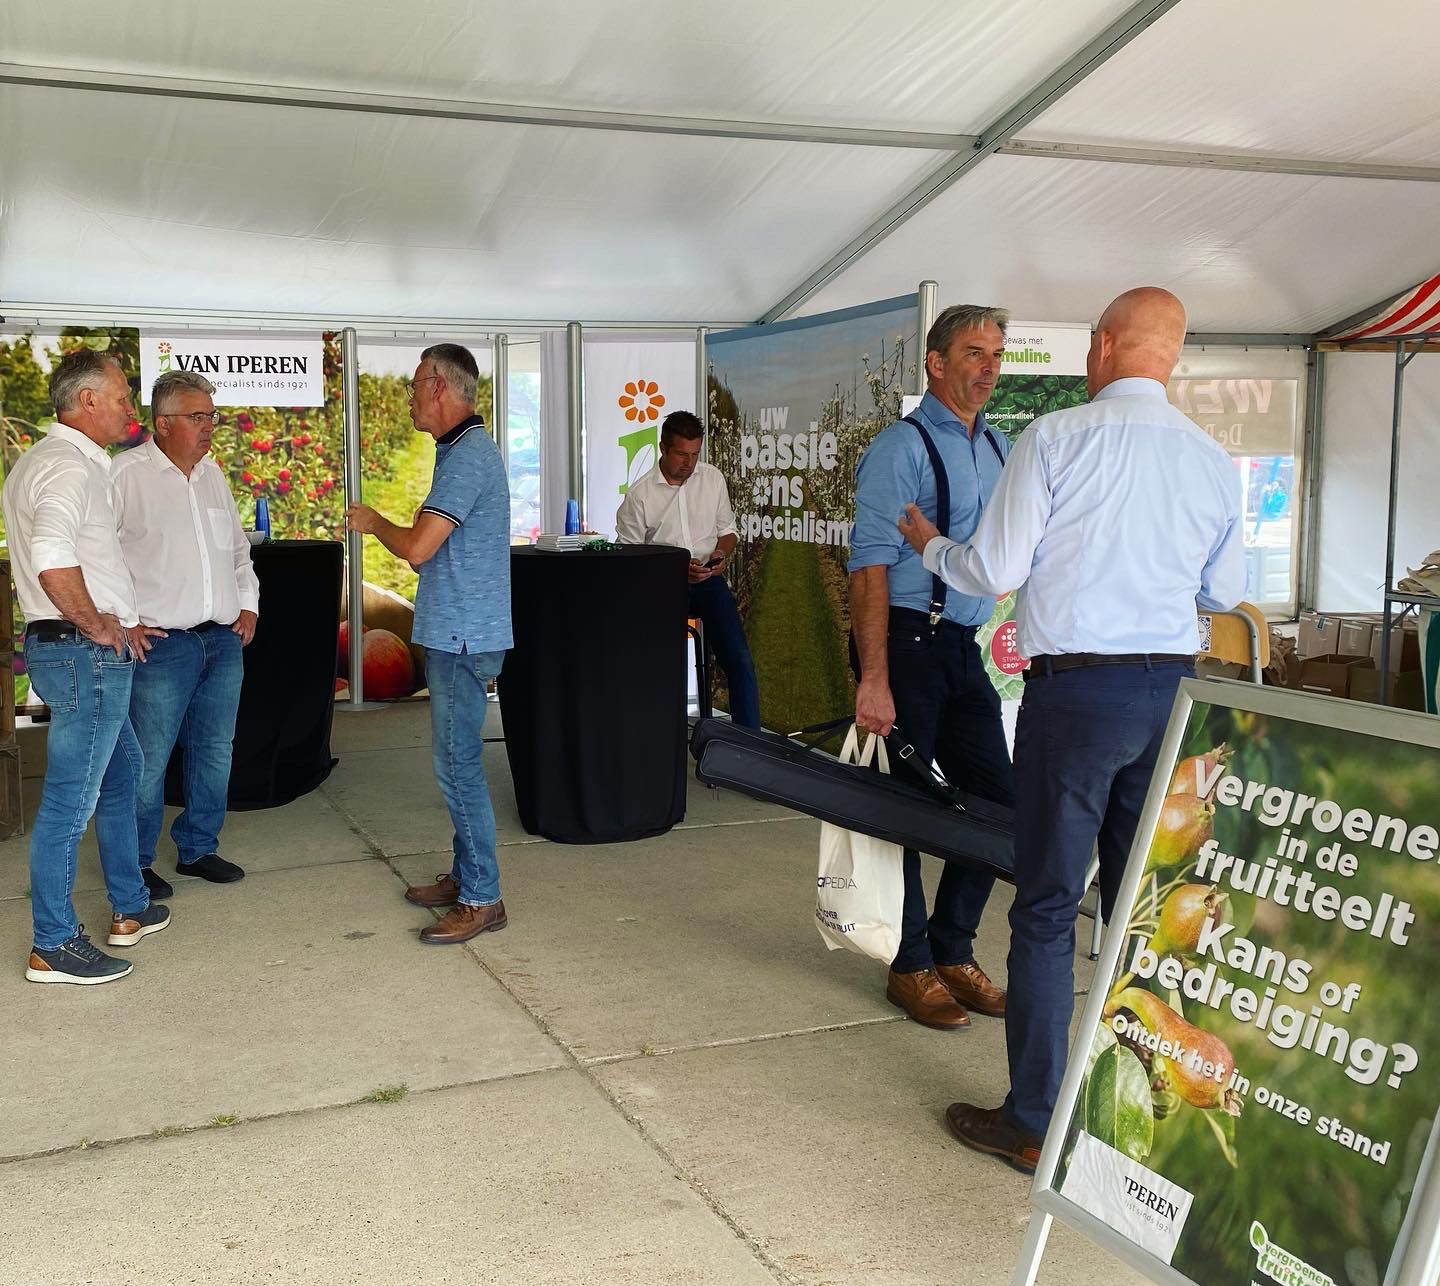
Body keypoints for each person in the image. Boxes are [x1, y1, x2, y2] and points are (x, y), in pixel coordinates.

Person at [898, 287, 1245, 1170]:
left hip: (1079, 696)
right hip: (1172, 694)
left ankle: (1033, 1119)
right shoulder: (1211, 458)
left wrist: (930, 543)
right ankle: (1129, 1110)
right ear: (1171, 355)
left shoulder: (1056, 439)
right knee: (1135, 910)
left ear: (1104, 345)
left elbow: (996, 568)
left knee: (1049, 907)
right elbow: (1222, 590)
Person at [847, 305, 1015, 1031]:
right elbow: (868, 569)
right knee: (907, 809)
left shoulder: (1001, 448)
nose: (989, 368)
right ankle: (909, 962)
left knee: (1000, 804)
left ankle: (952, 949)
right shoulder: (900, 447)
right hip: (906, 643)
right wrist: (874, 676)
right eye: (974, 352)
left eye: (997, 355)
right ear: (936, 363)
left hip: (961, 647)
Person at [2, 350, 170, 984]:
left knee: (123, 771)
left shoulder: (45, 461)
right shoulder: (69, 467)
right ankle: (53, 943)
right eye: (123, 396)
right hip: (84, 653)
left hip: (77, 648)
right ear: (88, 401)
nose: (131, 407)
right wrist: (98, 624)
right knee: (71, 802)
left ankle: (129, 905)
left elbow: (77, 558)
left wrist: (118, 620)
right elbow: (52, 555)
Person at [346, 343, 512, 945]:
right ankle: (467, 876)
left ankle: (482, 898)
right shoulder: (461, 451)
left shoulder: (467, 457)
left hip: (461, 635)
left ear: (440, 387)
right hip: (459, 629)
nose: (410, 396)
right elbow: (432, 553)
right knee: (457, 759)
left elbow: (418, 548)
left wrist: (373, 523)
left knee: (457, 765)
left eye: (416, 384)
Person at [111, 370, 259, 898]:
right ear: (163, 423)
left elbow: (237, 550)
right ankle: (136, 864)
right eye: (197, 417)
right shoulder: (126, 475)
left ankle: (198, 847)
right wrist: (124, 619)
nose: (209, 426)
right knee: (148, 761)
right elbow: (99, 555)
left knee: (215, 751)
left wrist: (248, 603)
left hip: (220, 640)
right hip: (161, 645)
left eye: (211, 416)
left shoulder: (213, 475)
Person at [615, 410, 759, 728]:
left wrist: (720, 553)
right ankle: (661, 736)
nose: (689, 463)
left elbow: (728, 531)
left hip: (708, 581)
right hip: (662, 587)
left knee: (740, 659)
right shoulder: (639, 495)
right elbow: (629, 558)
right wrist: (673, 571)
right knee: (666, 666)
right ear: (663, 448)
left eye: (695, 455)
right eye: (682, 454)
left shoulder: (712, 478)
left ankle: (750, 744)